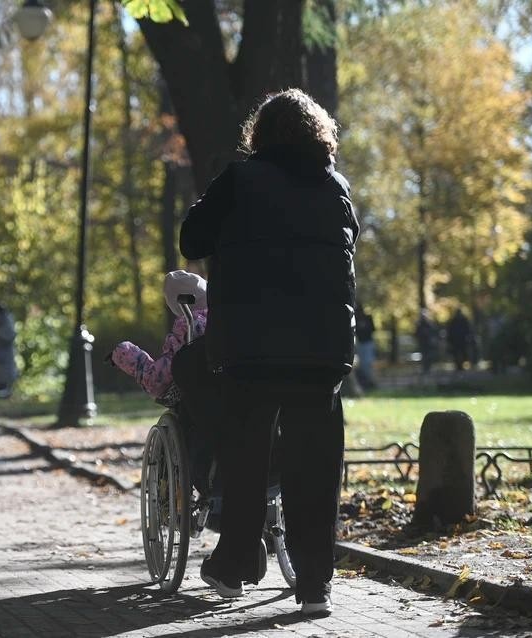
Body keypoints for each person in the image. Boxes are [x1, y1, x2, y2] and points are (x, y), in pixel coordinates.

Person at [176, 88, 358, 617]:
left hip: (251, 346)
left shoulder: (239, 179)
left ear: (261, 134)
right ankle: (314, 586)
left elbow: (193, 239)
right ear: (320, 133)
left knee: (245, 449)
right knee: (317, 465)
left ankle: (234, 565)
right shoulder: (337, 188)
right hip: (322, 348)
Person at [109, 270, 208, 400]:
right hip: (225, 390)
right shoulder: (223, 324)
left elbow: (156, 381)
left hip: (194, 400)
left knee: (169, 419)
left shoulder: (185, 332)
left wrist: (123, 352)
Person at [355, 304, 377, 390]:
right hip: (361, 343)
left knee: (368, 363)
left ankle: (372, 382)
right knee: (363, 365)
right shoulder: (356, 318)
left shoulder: (368, 318)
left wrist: (364, 328)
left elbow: (373, 329)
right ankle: (367, 382)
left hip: (368, 343)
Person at [415, 310, 438, 374]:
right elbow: (416, 334)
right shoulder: (419, 325)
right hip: (423, 343)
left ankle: (428, 368)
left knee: (428, 356)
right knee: (424, 356)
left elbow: (434, 333)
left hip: (428, 343)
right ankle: (425, 369)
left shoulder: (430, 324)